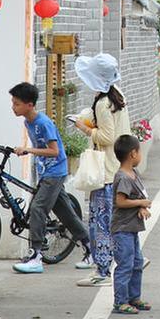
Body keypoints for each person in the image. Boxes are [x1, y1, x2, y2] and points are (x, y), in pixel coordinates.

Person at [7, 82, 94, 274]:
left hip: (54, 172)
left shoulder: (43, 123)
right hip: (46, 172)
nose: (13, 107)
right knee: (66, 214)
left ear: (30, 104)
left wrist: (28, 150)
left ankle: (36, 255)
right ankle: (90, 247)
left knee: (38, 208)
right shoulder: (28, 121)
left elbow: (54, 151)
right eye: (13, 103)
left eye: (17, 104)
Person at [72, 54, 133, 287]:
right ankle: (130, 260)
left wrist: (83, 128)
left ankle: (103, 271)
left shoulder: (102, 103)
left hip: (105, 172)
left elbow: (107, 136)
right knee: (115, 222)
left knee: (101, 224)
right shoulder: (117, 96)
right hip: (118, 169)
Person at [110, 135, 151, 314]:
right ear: (133, 154)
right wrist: (141, 204)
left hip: (132, 227)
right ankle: (120, 301)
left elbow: (136, 196)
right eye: (139, 151)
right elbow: (121, 201)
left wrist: (141, 206)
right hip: (122, 229)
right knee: (125, 264)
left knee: (136, 262)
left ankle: (134, 297)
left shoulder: (134, 174)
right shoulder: (123, 177)